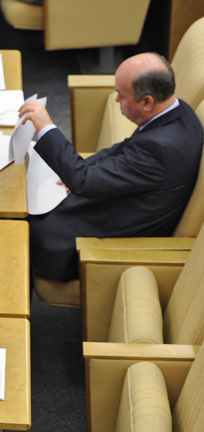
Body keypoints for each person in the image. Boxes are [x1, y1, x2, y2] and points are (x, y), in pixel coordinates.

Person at [19, 52, 203, 282]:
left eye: (121, 95)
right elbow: (124, 149)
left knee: (21, 225)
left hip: (108, 235)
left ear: (147, 102)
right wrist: (84, 167)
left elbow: (83, 181)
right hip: (121, 202)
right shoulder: (178, 111)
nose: (116, 100)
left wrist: (47, 128)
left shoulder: (160, 148)